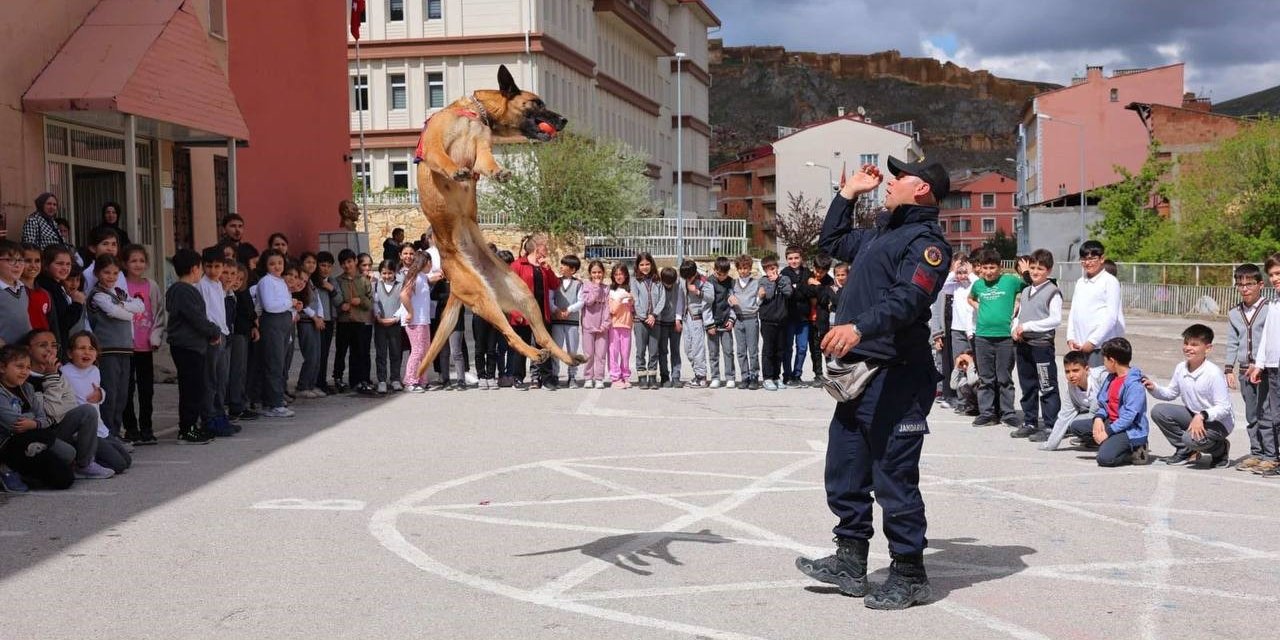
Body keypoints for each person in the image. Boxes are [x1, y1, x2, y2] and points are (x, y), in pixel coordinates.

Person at [796, 157, 951, 610]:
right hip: (860, 375)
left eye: (900, 176)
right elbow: (833, 242)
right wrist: (848, 195)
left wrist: (859, 327)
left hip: (898, 376)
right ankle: (849, 561)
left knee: (893, 478)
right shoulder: (883, 232)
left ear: (922, 188)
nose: (891, 181)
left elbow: (907, 299)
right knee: (844, 469)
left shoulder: (927, 244)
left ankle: (909, 573)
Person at [22, 329, 114, 478]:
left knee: (87, 412)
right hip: (44, 434)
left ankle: (85, 463)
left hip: (61, 427)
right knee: (65, 473)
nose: (49, 350)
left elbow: (70, 405)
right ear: (28, 350)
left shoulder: (59, 373)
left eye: (53, 345)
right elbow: (48, 411)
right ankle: (78, 461)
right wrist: (51, 377)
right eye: (42, 345)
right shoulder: (26, 378)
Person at [1144, 324, 1233, 468]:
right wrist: (1154, 388)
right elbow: (1171, 393)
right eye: (1186, 343)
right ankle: (1186, 452)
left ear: (1208, 348)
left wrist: (1202, 416)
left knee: (1189, 439)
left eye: (1194, 344)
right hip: (1195, 415)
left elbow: (1224, 407)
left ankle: (1220, 450)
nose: (1188, 348)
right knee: (1159, 411)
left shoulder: (1213, 373)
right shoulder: (1181, 368)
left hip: (1219, 422)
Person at [0, 345, 75, 490]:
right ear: (2, 368)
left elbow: (44, 418)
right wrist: (33, 420)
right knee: (38, 435)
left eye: (28, 368)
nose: (24, 372)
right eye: (19, 366)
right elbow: (15, 424)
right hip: (9, 443)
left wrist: (32, 423)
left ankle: (25, 473)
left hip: (34, 437)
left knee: (67, 466)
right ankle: (6, 469)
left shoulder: (27, 387)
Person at [86, 255, 144, 441]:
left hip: (125, 349)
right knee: (109, 394)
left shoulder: (118, 292)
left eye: (115, 273)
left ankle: (116, 432)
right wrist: (128, 309)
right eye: (106, 272)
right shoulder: (98, 295)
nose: (111, 276)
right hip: (108, 350)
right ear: (97, 273)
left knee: (122, 395)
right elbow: (117, 313)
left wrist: (124, 305)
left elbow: (140, 306)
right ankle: (108, 434)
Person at [1067, 337, 1150, 466]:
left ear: (1112, 361)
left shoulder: (1134, 385)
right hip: (1110, 422)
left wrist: (1108, 432)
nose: (1103, 363)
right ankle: (1109, 443)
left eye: (1104, 360)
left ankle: (1135, 452)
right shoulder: (1111, 378)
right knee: (1076, 427)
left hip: (1128, 429)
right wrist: (1099, 418)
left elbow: (1129, 417)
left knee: (1104, 459)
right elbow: (1104, 403)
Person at [967, 248, 1024, 428]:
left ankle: (1007, 413)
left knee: (1004, 377)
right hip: (983, 337)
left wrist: (1018, 302)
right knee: (985, 378)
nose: (989, 272)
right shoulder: (978, 286)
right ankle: (987, 413)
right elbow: (970, 298)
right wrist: (978, 307)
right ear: (980, 269)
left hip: (1005, 338)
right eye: (985, 268)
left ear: (999, 268)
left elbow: (1030, 286)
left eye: (992, 267)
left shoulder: (1010, 281)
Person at [167, 249, 219, 443]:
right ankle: (187, 429)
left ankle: (191, 426)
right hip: (187, 346)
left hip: (191, 344)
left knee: (194, 387)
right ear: (194, 268)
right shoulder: (184, 290)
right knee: (191, 389)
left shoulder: (179, 289)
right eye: (200, 268)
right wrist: (213, 331)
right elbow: (196, 318)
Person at [61, 331, 132, 473]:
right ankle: (82, 459)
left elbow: (98, 392)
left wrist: (101, 394)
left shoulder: (94, 370)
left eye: (91, 348)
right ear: (70, 353)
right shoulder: (64, 372)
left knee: (127, 460)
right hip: (84, 430)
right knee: (119, 465)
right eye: (81, 348)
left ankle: (94, 454)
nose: (86, 352)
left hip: (100, 429)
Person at [1010, 248, 1062, 439]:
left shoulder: (1052, 292)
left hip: (1041, 345)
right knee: (1027, 384)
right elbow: (1018, 314)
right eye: (1032, 268)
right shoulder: (1025, 291)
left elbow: (1055, 319)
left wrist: (1029, 326)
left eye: (1040, 268)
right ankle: (1030, 421)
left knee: (1047, 384)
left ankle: (1051, 425)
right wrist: (1014, 328)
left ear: (1048, 270)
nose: (1035, 272)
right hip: (1024, 344)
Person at [1225, 263, 1269, 472]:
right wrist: (1228, 368)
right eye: (1240, 284)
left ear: (1260, 284)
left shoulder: (1270, 308)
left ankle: (1271, 453)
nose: (1245, 288)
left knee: (1267, 413)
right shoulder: (1235, 313)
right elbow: (1232, 342)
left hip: (1265, 369)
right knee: (1252, 414)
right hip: (1244, 369)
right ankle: (1256, 452)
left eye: (1249, 284)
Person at [119, 245, 166, 445]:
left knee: (147, 390)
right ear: (125, 264)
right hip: (126, 346)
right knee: (127, 389)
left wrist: (155, 337)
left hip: (145, 346)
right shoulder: (121, 285)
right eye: (133, 261)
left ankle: (146, 427)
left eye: (141, 261)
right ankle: (131, 428)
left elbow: (159, 313)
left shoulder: (151, 285)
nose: (138, 264)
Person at [1246, 252, 1280, 477]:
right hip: (1274, 367)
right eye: (1271, 275)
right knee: (1276, 416)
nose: (1274, 278)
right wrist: (1259, 364)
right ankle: (1274, 458)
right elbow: (1267, 336)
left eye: (1278, 273)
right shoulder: (1275, 302)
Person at [510, 235, 559, 389]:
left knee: (544, 346)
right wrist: (516, 313)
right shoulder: (518, 265)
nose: (547, 249)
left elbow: (555, 285)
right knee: (522, 346)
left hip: (541, 313)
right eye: (545, 247)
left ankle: (545, 378)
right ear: (537, 248)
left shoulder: (543, 266)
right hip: (523, 313)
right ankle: (517, 377)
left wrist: (548, 269)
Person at [1067, 240, 1124, 367]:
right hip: (1079, 346)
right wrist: (1070, 338)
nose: (1087, 263)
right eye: (1084, 259)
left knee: (1098, 383)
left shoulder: (1110, 282)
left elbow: (1111, 317)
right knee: (1081, 384)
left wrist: (1093, 342)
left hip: (1100, 347)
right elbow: (1074, 312)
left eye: (1092, 258)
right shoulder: (1080, 282)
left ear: (1102, 259)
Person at [196, 248, 234, 436]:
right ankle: (209, 419)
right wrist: (213, 332)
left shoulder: (218, 285)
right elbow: (205, 313)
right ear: (203, 266)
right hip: (212, 336)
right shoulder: (201, 285)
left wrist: (224, 330)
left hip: (222, 333)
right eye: (209, 266)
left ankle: (220, 416)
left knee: (221, 379)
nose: (213, 270)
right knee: (210, 379)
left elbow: (220, 310)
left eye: (217, 266)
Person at [1039, 350, 1106, 450]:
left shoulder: (1100, 377)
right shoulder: (1072, 388)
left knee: (1082, 422)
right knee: (1074, 424)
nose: (1071, 375)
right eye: (1067, 371)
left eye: (1075, 370)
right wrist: (1050, 445)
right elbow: (1064, 416)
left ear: (1087, 369)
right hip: (1096, 418)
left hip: (1112, 416)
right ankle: (1094, 441)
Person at [334, 249, 373, 394]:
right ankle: (338, 378)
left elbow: (369, 303)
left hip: (359, 321)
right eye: (343, 263)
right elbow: (335, 301)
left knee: (359, 352)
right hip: (344, 321)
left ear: (355, 261)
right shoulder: (338, 281)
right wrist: (341, 307)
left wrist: (360, 300)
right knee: (341, 351)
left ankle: (358, 380)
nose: (347, 266)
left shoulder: (363, 280)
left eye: (349, 262)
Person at [36, 245, 82, 359]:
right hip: (51, 349)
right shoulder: (48, 287)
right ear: (46, 265)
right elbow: (63, 322)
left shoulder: (57, 286)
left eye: (68, 264)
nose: (65, 268)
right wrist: (77, 304)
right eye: (59, 264)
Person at [226, 262, 258, 422]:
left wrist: (254, 325)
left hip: (244, 334)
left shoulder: (242, 293)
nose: (236, 281)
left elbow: (250, 313)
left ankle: (241, 403)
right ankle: (236, 406)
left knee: (243, 370)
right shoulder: (230, 295)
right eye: (233, 277)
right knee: (236, 371)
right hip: (236, 335)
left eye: (240, 278)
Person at [758, 255, 794, 391]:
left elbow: (788, 292)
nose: (771, 271)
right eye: (768, 269)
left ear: (777, 268)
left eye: (773, 268)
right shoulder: (763, 281)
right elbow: (768, 294)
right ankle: (767, 378)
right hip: (767, 320)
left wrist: (778, 279)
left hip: (782, 320)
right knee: (768, 350)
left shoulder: (784, 279)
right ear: (764, 270)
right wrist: (772, 282)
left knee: (780, 350)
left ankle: (776, 377)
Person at [294, 253, 328, 398]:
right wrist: (314, 317)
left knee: (317, 355)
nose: (311, 265)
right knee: (310, 355)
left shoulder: (311, 281)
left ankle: (311, 384)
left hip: (316, 321)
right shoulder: (299, 281)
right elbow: (302, 303)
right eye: (308, 262)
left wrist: (320, 316)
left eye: (314, 263)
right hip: (306, 321)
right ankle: (303, 386)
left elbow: (318, 300)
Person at [399, 251, 434, 393]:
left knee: (425, 351)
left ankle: (421, 379)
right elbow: (403, 295)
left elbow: (433, 277)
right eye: (429, 262)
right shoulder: (414, 277)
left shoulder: (423, 277)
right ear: (424, 263)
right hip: (415, 321)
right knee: (417, 351)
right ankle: (410, 381)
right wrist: (410, 312)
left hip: (424, 320)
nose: (431, 265)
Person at [780, 246, 813, 386]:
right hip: (788, 317)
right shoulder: (784, 273)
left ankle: (797, 374)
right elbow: (788, 293)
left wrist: (797, 288)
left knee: (802, 348)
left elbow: (811, 292)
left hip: (804, 317)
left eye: (796, 258)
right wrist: (802, 288)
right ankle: (787, 375)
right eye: (790, 258)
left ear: (801, 258)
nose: (794, 261)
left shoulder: (808, 272)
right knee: (788, 347)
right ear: (787, 260)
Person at [679, 260, 714, 388]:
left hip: (698, 318)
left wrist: (698, 292)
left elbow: (711, 298)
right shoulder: (683, 280)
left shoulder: (704, 281)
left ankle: (701, 376)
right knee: (688, 349)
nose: (688, 278)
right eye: (685, 276)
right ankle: (697, 373)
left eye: (690, 276)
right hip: (686, 317)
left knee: (698, 349)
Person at [729, 254, 762, 390]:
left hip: (751, 318)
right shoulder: (733, 283)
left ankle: (754, 376)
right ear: (737, 269)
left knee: (753, 350)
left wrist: (760, 298)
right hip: (738, 319)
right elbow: (729, 297)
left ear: (750, 268)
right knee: (741, 350)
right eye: (741, 268)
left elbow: (759, 299)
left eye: (746, 268)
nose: (743, 271)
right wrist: (730, 298)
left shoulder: (756, 282)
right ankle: (744, 376)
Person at [551, 254, 584, 388]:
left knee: (572, 350)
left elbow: (581, 301)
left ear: (573, 269)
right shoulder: (555, 282)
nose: (561, 267)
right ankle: (555, 375)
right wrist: (556, 310)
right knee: (556, 350)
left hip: (572, 322)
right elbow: (550, 299)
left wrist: (568, 310)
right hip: (557, 321)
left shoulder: (578, 284)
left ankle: (572, 376)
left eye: (564, 265)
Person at [371, 259, 404, 395]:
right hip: (380, 325)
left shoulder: (400, 285)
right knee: (381, 353)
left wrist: (396, 318)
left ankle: (395, 379)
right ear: (380, 273)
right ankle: (382, 380)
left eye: (390, 273)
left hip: (395, 324)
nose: (387, 276)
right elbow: (375, 302)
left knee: (396, 352)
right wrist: (378, 316)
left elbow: (404, 303)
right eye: (384, 273)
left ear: (395, 273)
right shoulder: (376, 286)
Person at [577, 260, 611, 389]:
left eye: (599, 272)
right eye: (594, 272)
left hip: (602, 327)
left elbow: (608, 307)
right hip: (588, 326)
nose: (597, 275)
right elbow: (589, 302)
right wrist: (596, 287)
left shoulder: (606, 288)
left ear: (603, 273)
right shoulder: (585, 286)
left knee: (601, 354)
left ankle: (599, 378)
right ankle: (588, 377)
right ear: (590, 274)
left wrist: (605, 324)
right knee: (589, 354)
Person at [802, 254, 835, 385]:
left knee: (827, 347)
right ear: (813, 267)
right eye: (816, 270)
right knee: (814, 348)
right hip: (809, 319)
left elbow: (825, 299)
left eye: (822, 271)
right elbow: (803, 291)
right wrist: (815, 291)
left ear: (827, 270)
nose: (818, 273)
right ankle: (818, 374)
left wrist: (816, 285)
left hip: (823, 320)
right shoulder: (807, 276)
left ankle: (831, 372)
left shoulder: (829, 281)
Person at [312, 251, 340, 395]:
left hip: (329, 322)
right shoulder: (312, 281)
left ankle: (321, 381)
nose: (325, 269)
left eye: (329, 266)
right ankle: (314, 382)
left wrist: (332, 289)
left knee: (325, 354)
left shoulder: (333, 281)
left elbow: (339, 302)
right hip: (315, 321)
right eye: (323, 265)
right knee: (316, 354)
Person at [707, 256, 737, 389]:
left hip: (726, 323)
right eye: (719, 274)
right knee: (713, 353)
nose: (721, 277)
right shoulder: (709, 282)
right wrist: (709, 324)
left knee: (728, 351)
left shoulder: (731, 283)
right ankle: (715, 377)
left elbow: (734, 303)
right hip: (712, 323)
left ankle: (730, 377)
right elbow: (705, 305)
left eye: (724, 274)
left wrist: (731, 319)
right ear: (714, 270)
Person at [0, 240, 33, 346]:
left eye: (21, 260)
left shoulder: (22, 288)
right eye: (11, 260)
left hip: (24, 352)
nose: (17, 265)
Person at [655, 267, 684, 388]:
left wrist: (678, 318)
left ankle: (676, 376)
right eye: (666, 283)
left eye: (671, 283)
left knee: (675, 351)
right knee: (662, 351)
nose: (669, 286)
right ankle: (664, 376)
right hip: (661, 322)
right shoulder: (658, 285)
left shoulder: (678, 284)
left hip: (674, 322)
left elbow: (680, 301)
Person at [607, 264, 634, 389]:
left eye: (621, 274)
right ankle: (615, 377)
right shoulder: (611, 291)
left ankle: (625, 376)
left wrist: (631, 300)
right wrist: (621, 298)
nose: (619, 277)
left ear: (626, 275)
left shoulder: (630, 290)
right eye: (616, 274)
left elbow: (633, 308)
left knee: (625, 353)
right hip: (614, 326)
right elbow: (612, 310)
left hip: (627, 325)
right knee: (614, 352)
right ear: (613, 276)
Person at [20, 244, 51, 332]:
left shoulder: (45, 294)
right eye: (28, 261)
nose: (33, 265)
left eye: (37, 261)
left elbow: (52, 324)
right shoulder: (12, 292)